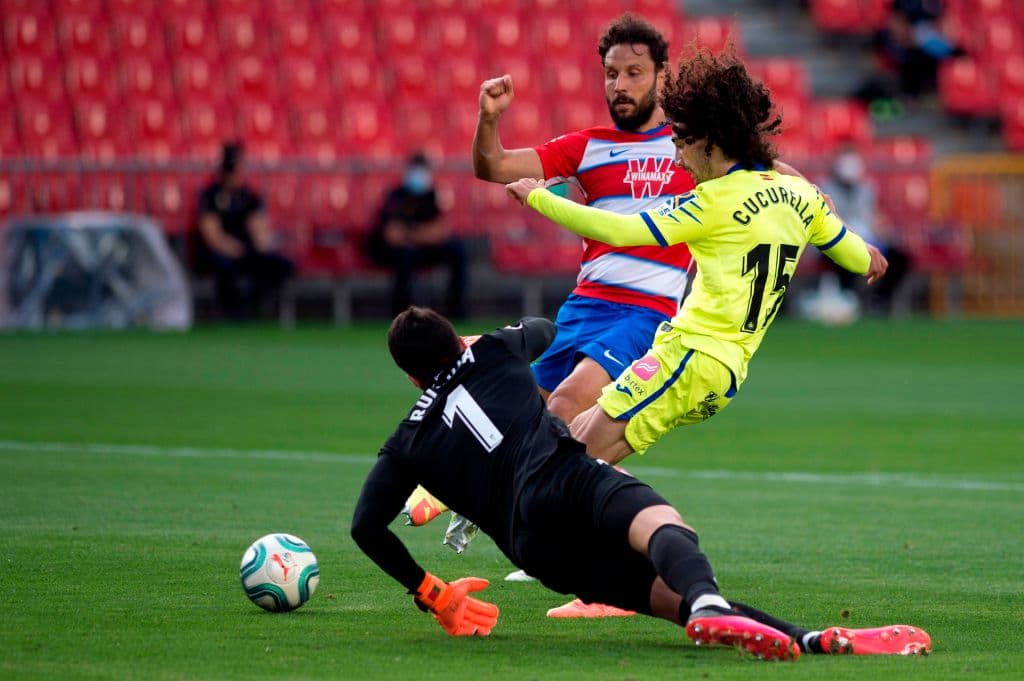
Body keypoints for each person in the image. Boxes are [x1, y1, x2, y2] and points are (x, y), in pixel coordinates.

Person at [349, 306, 931, 659]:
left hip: (531, 545)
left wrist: (433, 591)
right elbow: (545, 329)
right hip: (559, 474)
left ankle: (803, 639)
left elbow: (365, 527)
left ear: (409, 375)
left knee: (662, 597)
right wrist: (479, 343)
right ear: (457, 340)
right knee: (663, 525)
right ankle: (709, 603)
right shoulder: (495, 350)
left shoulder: (408, 440)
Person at [506, 47, 889, 465]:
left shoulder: (710, 201)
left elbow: (620, 230)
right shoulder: (801, 195)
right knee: (568, 439)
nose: (677, 158)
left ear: (707, 141)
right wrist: (869, 253)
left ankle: (651, 530)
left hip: (690, 358)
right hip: (722, 369)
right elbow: (857, 257)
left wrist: (539, 198)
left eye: (682, 143)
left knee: (567, 464)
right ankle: (476, 502)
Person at [196, 142, 294, 320]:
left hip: (244, 250)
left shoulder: (248, 196)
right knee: (223, 266)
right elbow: (212, 235)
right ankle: (231, 313)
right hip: (220, 251)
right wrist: (233, 248)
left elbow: (259, 230)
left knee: (281, 266)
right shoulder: (210, 195)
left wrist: (262, 243)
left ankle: (253, 306)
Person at [366, 152, 468, 318]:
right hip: (395, 252)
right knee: (405, 256)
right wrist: (423, 233)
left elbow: (440, 231)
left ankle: (456, 311)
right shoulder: (396, 196)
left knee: (457, 250)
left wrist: (412, 233)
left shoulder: (432, 195)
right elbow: (393, 236)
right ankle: (401, 313)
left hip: (421, 248)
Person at [817, 145, 909, 315]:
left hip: (867, 239)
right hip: (836, 239)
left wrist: (883, 231)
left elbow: (874, 217)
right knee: (840, 258)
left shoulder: (867, 189)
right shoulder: (825, 188)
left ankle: (880, 298)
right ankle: (850, 300)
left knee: (900, 258)